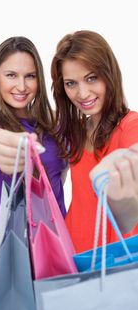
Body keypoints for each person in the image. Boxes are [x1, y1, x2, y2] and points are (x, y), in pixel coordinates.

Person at [0, 36, 68, 273]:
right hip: (7, 244)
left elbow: (57, 180)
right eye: (11, 75)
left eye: (30, 76)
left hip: (56, 239)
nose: (21, 86)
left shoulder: (55, 124)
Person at [51, 30, 138, 253]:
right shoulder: (74, 130)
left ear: (109, 74)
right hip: (75, 254)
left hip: (117, 258)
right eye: (71, 83)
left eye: (91, 78)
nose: (82, 93)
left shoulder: (130, 124)